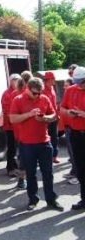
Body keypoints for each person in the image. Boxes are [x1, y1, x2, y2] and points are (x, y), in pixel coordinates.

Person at [9, 77, 64, 211]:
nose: (37, 95)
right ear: (27, 88)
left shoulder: (44, 98)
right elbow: (12, 118)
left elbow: (54, 116)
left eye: (39, 92)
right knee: (31, 173)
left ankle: (51, 199)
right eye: (35, 93)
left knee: (48, 172)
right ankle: (33, 199)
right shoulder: (18, 100)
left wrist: (45, 118)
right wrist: (29, 114)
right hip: (27, 144)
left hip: (44, 142)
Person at [60, 66, 85, 210]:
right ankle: (84, 199)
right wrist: (68, 112)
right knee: (80, 169)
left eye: (80, 82)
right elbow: (61, 109)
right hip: (75, 134)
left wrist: (83, 114)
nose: (78, 85)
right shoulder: (71, 90)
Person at [11, 70, 33, 189]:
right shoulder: (24, 94)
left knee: (22, 155)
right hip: (26, 130)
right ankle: (22, 179)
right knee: (25, 157)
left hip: (19, 130)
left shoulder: (15, 93)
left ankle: (22, 179)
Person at [1, 74, 21, 177]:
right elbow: (6, 110)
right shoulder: (6, 94)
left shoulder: (19, 92)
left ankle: (15, 165)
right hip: (10, 126)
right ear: (10, 81)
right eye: (14, 80)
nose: (16, 82)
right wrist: (12, 120)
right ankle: (10, 168)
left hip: (17, 125)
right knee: (11, 147)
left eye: (18, 80)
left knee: (17, 147)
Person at [61, 78, 78, 185]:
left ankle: (77, 175)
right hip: (69, 127)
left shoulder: (75, 95)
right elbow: (61, 108)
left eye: (66, 85)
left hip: (76, 128)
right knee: (72, 153)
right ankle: (74, 171)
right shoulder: (68, 94)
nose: (64, 87)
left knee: (76, 154)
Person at [42, 71, 59, 163]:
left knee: (55, 137)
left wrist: (57, 114)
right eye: (52, 78)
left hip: (54, 117)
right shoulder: (42, 90)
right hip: (47, 118)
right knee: (47, 138)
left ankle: (55, 156)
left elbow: (54, 103)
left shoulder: (52, 88)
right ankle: (47, 156)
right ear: (47, 80)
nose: (54, 80)